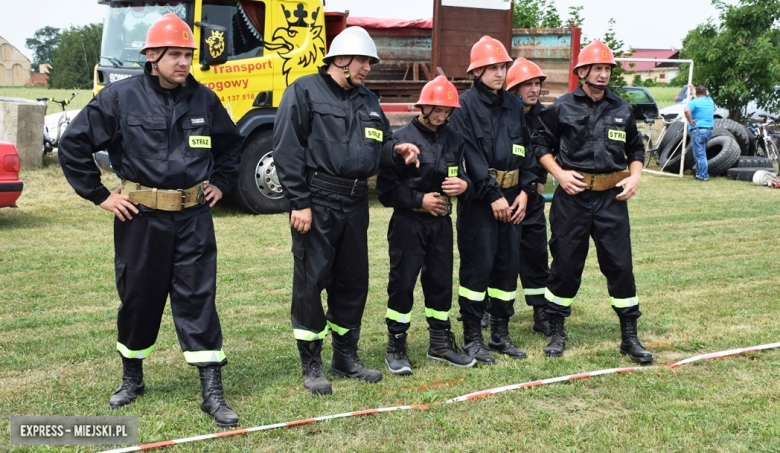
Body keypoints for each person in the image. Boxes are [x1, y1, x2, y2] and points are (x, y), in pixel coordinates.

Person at [58, 13, 243, 426]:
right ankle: (132, 378)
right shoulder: (121, 98)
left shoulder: (205, 100)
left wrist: (222, 182)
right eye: (175, 54)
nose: (184, 62)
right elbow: (74, 145)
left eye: (188, 55)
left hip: (193, 218)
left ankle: (212, 391)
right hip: (140, 219)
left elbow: (231, 147)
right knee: (139, 298)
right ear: (152, 56)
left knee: (198, 298)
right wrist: (101, 195)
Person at [273, 26, 421, 394]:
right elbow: (287, 150)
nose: (368, 68)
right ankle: (312, 363)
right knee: (311, 282)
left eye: (370, 62)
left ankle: (345, 356)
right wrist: (300, 202)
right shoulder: (304, 92)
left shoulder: (368, 100)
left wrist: (397, 152)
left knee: (352, 282)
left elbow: (380, 144)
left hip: (356, 205)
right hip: (318, 202)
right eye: (363, 61)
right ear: (340, 60)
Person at [532, 40, 653, 364]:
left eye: (607, 69)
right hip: (572, 199)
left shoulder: (622, 108)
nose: (603, 74)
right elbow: (540, 144)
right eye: (597, 68)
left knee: (620, 265)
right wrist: (558, 173)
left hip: (611, 199)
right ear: (582, 72)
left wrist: (635, 176)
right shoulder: (562, 107)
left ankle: (629, 337)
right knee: (566, 264)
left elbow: (636, 150)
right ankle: (556, 331)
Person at [377, 76, 477, 375]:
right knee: (402, 285)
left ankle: (440, 345)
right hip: (408, 224)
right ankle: (396, 347)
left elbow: (466, 176)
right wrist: (420, 200)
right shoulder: (401, 139)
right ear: (424, 105)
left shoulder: (455, 138)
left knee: (440, 283)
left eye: (447, 111)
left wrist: (464, 185)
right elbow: (385, 191)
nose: (442, 115)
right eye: (437, 109)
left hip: (441, 226)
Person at [448, 36, 538, 364]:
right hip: (480, 204)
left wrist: (527, 191)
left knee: (506, 269)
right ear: (477, 71)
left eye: (502, 66)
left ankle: (500, 334)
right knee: (477, 269)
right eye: (492, 67)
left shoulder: (514, 105)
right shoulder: (464, 106)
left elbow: (526, 152)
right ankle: (473, 337)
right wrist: (493, 195)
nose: (500, 73)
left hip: (514, 200)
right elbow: (470, 156)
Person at [505, 57, 553, 336]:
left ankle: (540, 311)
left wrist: (540, 181)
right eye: (528, 85)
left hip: (532, 197)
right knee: (499, 255)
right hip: (503, 195)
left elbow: (548, 150)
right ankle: (490, 307)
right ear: (514, 89)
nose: (534, 90)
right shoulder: (502, 115)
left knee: (535, 254)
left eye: (537, 84)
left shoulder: (544, 116)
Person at [684, 84, 715, 181]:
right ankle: (699, 174)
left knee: (700, 155)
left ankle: (702, 176)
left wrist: (690, 121)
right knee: (701, 154)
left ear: (696, 94)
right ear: (706, 93)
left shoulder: (694, 102)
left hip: (698, 131)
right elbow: (699, 96)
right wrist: (693, 89)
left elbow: (686, 111)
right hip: (708, 131)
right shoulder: (710, 101)